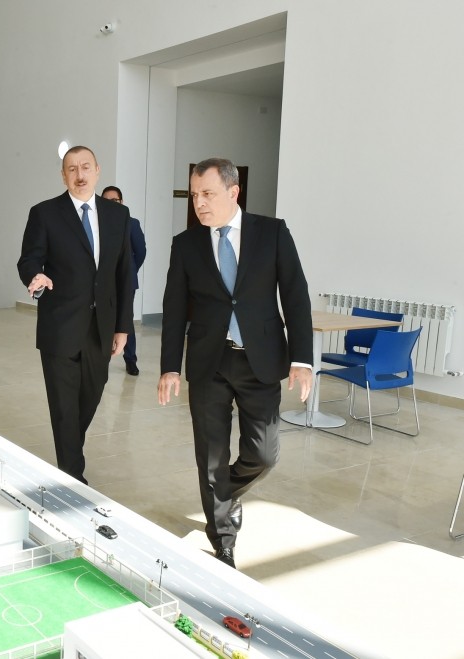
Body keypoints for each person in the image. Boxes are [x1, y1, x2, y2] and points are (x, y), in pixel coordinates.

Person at [157, 157, 313, 568]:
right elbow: (174, 308)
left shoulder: (272, 233)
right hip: (209, 361)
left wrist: (302, 358)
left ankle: (226, 494)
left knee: (263, 455)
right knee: (210, 457)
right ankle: (223, 541)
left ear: (233, 192)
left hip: (260, 360)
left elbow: (295, 295)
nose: (199, 203)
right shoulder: (186, 244)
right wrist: (170, 366)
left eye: (207, 194)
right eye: (194, 195)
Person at [17, 146, 134, 485]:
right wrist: (35, 276)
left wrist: (123, 327)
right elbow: (28, 259)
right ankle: (72, 476)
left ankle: (69, 449)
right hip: (60, 325)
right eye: (72, 169)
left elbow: (124, 274)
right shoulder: (45, 213)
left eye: (85, 167)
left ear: (97, 170)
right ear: (63, 175)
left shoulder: (118, 215)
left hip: (101, 327)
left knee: (91, 396)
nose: (79, 175)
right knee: (64, 407)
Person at [101, 185, 147, 375]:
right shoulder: (97, 224)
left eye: (115, 200)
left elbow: (141, 251)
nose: (111, 204)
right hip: (103, 282)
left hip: (126, 283)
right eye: (106, 201)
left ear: (122, 202)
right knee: (103, 320)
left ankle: (130, 360)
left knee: (125, 319)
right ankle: (102, 359)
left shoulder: (132, 223)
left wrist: (129, 271)